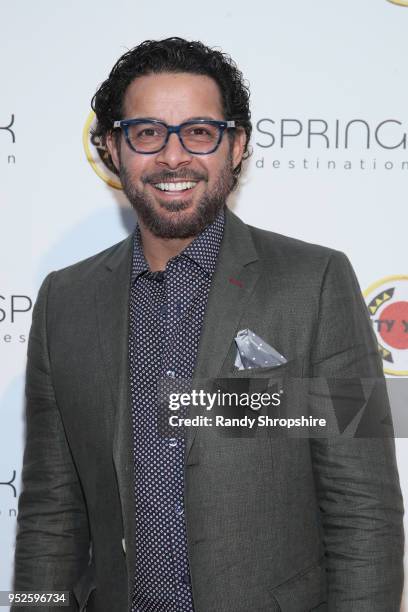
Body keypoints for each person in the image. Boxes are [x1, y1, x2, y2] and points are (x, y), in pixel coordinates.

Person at [13, 37, 404, 612]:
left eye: (199, 131)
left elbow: (363, 507)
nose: (174, 157)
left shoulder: (315, 282)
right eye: (147, 132)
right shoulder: (63, 301)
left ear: (236, 145)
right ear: (112, 148)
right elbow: (51, 514)